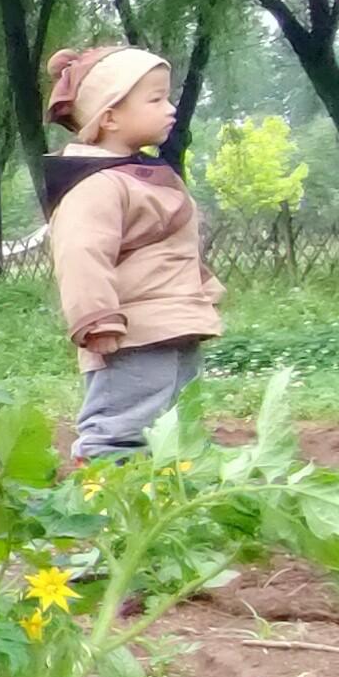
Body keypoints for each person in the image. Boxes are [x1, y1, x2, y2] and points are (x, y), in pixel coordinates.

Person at [42, 45, 222, 461]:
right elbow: (81, 254)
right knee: (122, 429)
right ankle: (105, 502)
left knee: (175, 426)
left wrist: (201, 290)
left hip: (173, 323)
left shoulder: (144, 176)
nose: (171, 108)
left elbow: (173, 246)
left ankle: (159, 509)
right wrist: (96, 317)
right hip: (131, 334)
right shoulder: (96, 185)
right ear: (109, 116)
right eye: (156, 99)